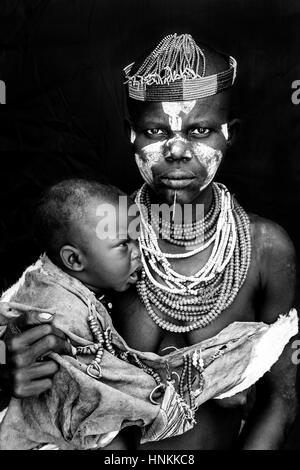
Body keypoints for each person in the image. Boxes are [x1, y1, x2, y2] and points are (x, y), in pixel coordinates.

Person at [1, 33, 298, 450]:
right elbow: (40, 308)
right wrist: (15, 362)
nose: (177, 149)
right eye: (156, 130)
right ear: (131, 134)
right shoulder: (100, 228)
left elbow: (281, 400)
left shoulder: (266, 247)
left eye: (200, 130)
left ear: (231, 134)